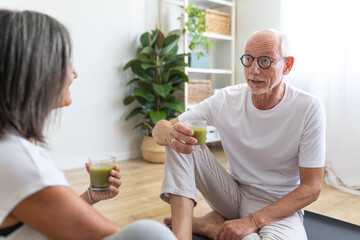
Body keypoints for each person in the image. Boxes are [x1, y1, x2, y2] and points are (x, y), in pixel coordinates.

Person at [0, 9, 176, 240]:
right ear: (36, 70)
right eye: (64, 61)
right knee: (151, 234)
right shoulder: (16, 156)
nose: (74, 72)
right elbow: (106, 235)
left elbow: (46, 218)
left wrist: (90, 197)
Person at [153, 29, 326, 240]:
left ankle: (211, 226)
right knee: (179, 139)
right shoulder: (227, 99)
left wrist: (251, 222)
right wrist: (170, 133)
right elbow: (160, 128)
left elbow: (312, 187)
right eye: (249, 59)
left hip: (279, 206)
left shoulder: (309, 108)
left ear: (287, 66)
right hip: (231, 193)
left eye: (264, 60)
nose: (254, 70)